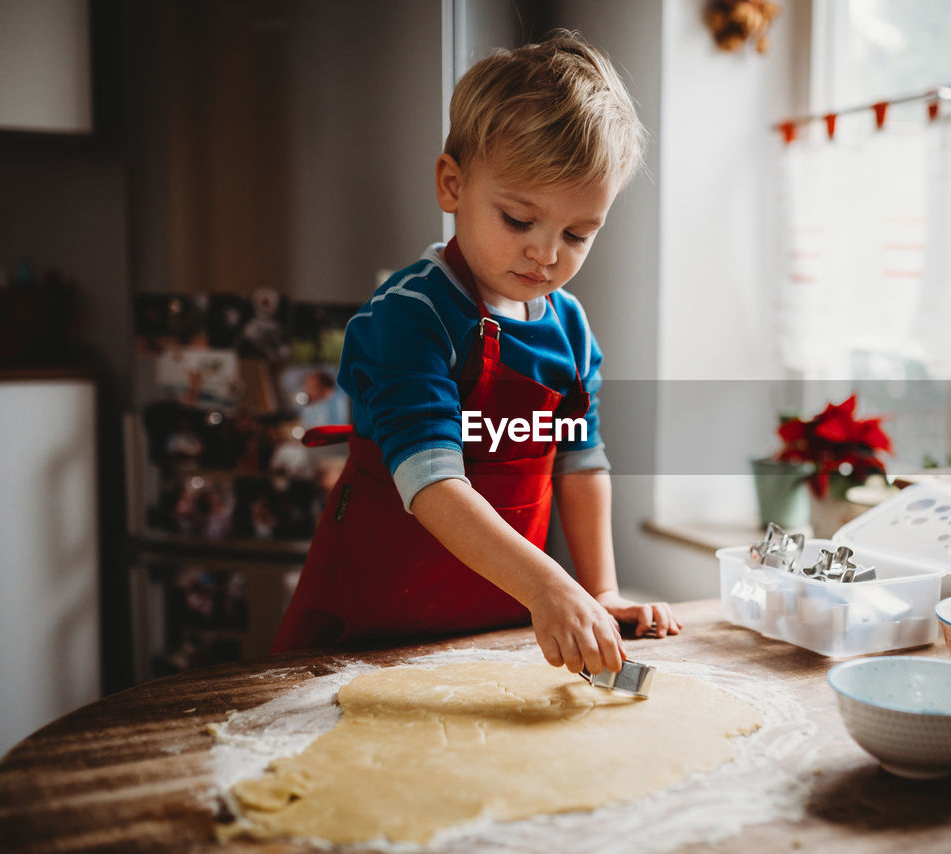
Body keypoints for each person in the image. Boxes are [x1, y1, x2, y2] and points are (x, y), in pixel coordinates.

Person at [272, 33, 680, 674]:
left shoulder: (569, 328)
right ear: (452, 184)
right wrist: (551, 587)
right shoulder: (410, 317)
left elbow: (580, 463)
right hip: (368, 636)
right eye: (519, 220)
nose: (547, 253)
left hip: (494, 629)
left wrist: (600, 592)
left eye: (578, 233)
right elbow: (431, 480)